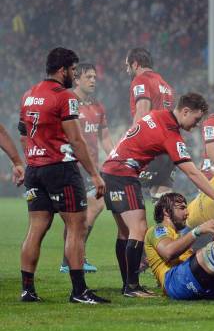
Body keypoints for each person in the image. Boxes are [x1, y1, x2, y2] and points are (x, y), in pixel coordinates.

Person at [101, 92, 214, 297]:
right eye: (196, 119)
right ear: (185, 111)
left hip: (111, 171)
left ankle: (128, 285)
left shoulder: (157, 115)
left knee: (125, 232)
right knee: (138, 228)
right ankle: (132, 286)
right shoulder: (170, 133)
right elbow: (191, 171)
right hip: (123, 173)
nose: (197, 124)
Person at [18, 47, 109, 304]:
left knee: (36, 228)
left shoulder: (29, 95)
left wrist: (31, 159)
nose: (73, 74)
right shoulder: (64, 96)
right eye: (72, 69)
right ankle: (79, 291)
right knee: (76, 227)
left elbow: (23, 132)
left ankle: (27, 290)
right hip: (60, 168)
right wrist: (95, 174)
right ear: (63, 70)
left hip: (34, 169)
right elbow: (76, 140)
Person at [59, 63, 114, 273]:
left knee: (93, 207)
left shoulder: (98, 107)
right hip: (71, 166)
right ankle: (71, 259)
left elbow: (105, 138)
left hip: (91, 169)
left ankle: (72, 258)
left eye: (94, 77)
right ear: (77, 79)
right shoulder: (67, 103)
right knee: (76, 216)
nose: (93, 80)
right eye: (88, 77)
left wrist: (116, 156)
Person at [126, 47, 175, 199]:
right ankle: (167, 222)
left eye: (127, 66)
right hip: (168, 149)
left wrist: (129, 143)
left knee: (122, 185)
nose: (126, 70)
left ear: (135, 64)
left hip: (152, 148)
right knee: (162, 196)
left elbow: (142, 112)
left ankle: (135, 223)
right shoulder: (165, 85)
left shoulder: (140, 80)